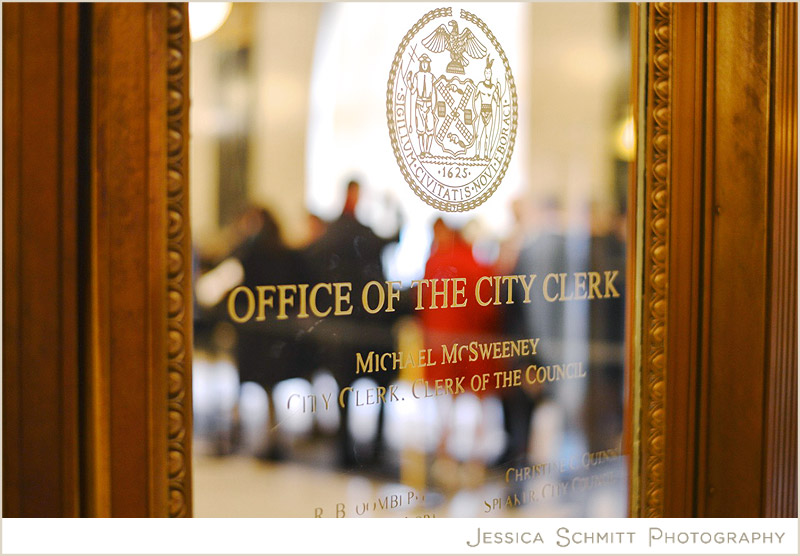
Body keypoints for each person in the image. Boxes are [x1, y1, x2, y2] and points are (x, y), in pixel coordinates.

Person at [304, 179, 401, 467]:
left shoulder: (337, 233)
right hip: (366, 324)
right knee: (370, 388)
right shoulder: (358, 233)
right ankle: (374, 447)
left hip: (348, 324)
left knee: (346, 389)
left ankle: (346, 449)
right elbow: (393, 239)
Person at [405, 54, 436, 157]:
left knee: (430, 129)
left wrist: (434, 106)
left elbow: (435, 92)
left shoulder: (431, 77)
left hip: (429, 105)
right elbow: (413, 90)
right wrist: (409, 81)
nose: (424, 65)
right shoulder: (417, 76)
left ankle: (428, 150)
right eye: (422, 63)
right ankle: (422, 151)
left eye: (426, 63)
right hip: (419, 104)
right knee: (421, 129)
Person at [473, 57, 501, 161]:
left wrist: (498, 91)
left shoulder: (493, 87)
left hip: (490, 112)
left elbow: (497, 101)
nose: (488, 74)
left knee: (488, 135)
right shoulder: (480, 85)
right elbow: (474, 97)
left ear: (491, 74)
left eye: (489, 73)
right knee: (479, 134)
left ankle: (486, 155)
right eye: (486, 72)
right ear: (484, 73)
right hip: (481, 112)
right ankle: (476, 154)